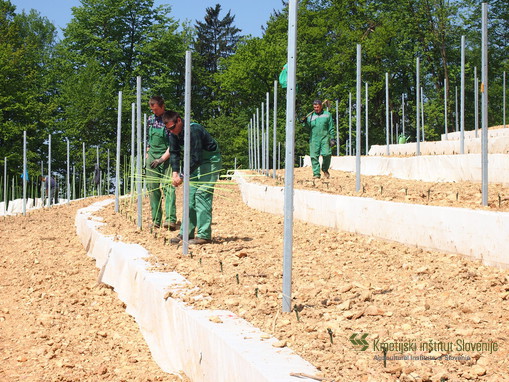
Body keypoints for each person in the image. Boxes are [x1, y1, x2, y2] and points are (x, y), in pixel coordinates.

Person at [162, 110, 222, 245]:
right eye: (168, 129)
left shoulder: (193, 130)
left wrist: (182, 176)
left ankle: (204, 235)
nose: (171, 131)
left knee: (202, 194)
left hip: (208, 160)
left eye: (172, 128)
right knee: (189, 196)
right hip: (191, 163)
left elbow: (196, 158)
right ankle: (185, 234)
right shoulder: (172, 133)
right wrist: (175, 173)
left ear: (179, 121)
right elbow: (174, 153)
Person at [145, 96, 177, 230]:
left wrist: (161, 159)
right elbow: (148, 139)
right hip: (152, 156)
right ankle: (156, 220)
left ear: (163, 107)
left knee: (168, 187)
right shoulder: (150, 120)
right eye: (152, 110)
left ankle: (170, 220)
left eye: (156, 110)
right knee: (152, 188)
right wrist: (148, 154)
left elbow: (173, 145)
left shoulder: (169, 120)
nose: (154, 112)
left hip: (166, 158)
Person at [301, 99, 336, 179]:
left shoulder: (327, 115)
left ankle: (325, 169)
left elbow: (331, 127)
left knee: (327, 154)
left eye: (317, 107)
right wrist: (304, 122)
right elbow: (307, 128)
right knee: (314, 156)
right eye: (315, 107)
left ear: (321, 106)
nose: (316, 108)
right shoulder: (310, 116)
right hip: (314, 138)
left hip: (325, 138)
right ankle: (316, 173)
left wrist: (332, 138)